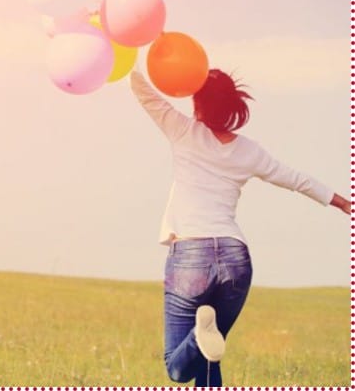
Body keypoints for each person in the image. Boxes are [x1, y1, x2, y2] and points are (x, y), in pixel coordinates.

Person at [129, 68, 350, 386]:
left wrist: (123, 49)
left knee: (177, 368)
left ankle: (197, 335)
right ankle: (204, 334)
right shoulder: (250, 151)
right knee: (209, 355)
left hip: (191, 254)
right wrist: (343, 203)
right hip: (235, 258)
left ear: (198, 103)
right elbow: (295, 179)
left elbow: (144, 92)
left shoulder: (183, 131)